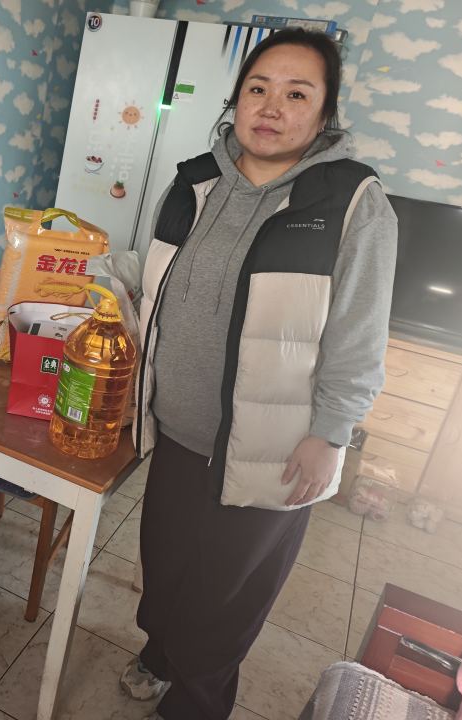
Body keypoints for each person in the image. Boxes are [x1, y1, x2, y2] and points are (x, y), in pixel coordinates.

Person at [120, 29, 398, 720]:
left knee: (226, 597)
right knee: (168, 565)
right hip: (177, 430)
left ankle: (196, 703)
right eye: (258, 88)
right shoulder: (193, 182)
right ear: (236, 99)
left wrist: (332, 432)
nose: (271, 107)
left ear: (325, 112)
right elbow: (161, 289)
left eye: (297, 93)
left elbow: (359, 334)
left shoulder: (352, 202)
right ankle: (160, 654)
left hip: (273, 448)